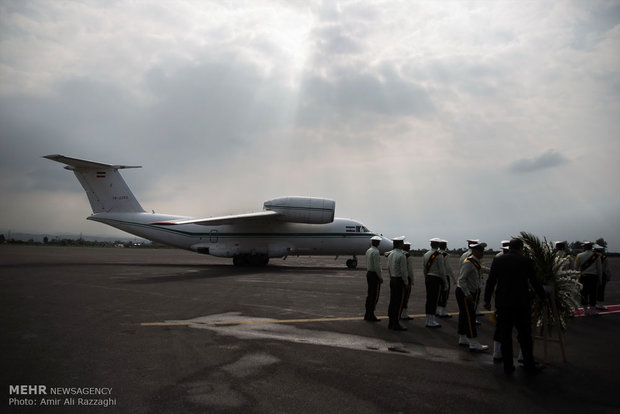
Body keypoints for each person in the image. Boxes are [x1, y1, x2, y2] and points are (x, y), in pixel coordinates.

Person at [484, 238, 547, 375]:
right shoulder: (525, 261)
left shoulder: (498, 260)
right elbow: (534, 281)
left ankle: (508, 365)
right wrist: (543, 297)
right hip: (521, 303)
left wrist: (487, 300)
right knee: (524, 335)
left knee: (505, 334)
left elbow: (491, 282)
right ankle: (529, 364)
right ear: (521, 248)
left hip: (503, 303)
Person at [456, 241, 488, 351]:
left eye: (483, 250)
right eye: (480, 250)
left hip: (468, 292)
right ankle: (473, 342)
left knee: (464, 315)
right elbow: (461, 279)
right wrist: (467, 293)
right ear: (474, 251)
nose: (482, 252)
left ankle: (463, 337)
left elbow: (481, 269)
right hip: (465, 292)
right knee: (470, 316)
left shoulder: (476, 261)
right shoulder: (469, 262)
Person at [423, 238, 447, 328]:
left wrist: (426, 277)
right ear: (438, 245)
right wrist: (445, 282)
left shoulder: (426, 254)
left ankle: (428, 319)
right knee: (434, 299)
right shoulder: (439, 255)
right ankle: (431, 320)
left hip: (428, 278)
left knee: (429, 299)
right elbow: (442, 270)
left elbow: (424, 268)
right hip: (436, 279)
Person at [575, 241, 602, 316]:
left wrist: (577, 278)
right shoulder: (596, 256)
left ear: (586, 247)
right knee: (593, 293)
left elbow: (576, 268)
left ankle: (585, 311)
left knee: (584, 293)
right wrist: (600, 279)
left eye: (583, 246)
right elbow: (599, 269)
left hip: (583, 277)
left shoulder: (579, 255)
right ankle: (593, 311)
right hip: (593, 277)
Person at [387, 236, 408, 331]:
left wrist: (391, 276)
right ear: (400, 244)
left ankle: (391, 322)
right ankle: (396, 323)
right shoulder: (402, 256)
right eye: (402, 242)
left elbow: (388, 267)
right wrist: (406, 282)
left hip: (393, 278)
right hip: (399, 280)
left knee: (392, 301)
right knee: (399, 302)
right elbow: (404, 271)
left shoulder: (391, 254)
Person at [364, 236, 383, 322]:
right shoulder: (376, 252)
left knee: (369, 294)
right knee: (374, 295)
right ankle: (371, 314)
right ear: (377, 243)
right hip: (374, 275)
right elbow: (377, 266)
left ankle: (367, 314)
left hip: (369, 273)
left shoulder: (368, 250)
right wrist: (380, 277)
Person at [437, 240, 453, 318]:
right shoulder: (446, 255)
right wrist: (453, 278)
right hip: (445, 275)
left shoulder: (436, 254)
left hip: (437, 275)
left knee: (438, 294)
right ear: (445, 246)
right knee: (445, 294)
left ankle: (438, 310)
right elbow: (449, 268)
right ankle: (442, 312)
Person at [401, 242, 414, 320]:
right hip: (406, 278)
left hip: (399, 278)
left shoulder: (399, 254)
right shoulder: (407, 256)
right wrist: (411, 280)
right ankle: (404, 314)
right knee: (406, 297)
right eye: (409, 247)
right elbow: (410, 270)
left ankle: (400, 313)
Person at [596, 244, 611, 311]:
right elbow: (607, 269)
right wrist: (608, 276)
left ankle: (594, 304)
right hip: (602, 275)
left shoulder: (592, 257)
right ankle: (601, 305)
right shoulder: (604, 257)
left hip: (594, 275)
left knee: (594, 290)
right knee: (601, 290)